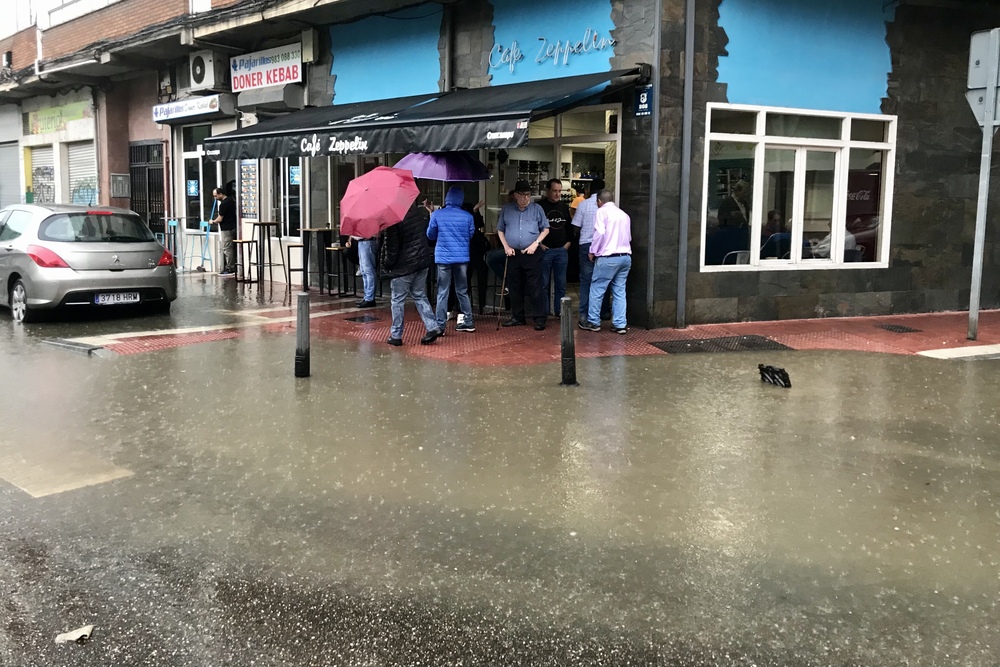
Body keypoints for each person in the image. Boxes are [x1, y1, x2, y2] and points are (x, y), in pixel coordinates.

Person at [380, 200, 442, 346]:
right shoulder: (415, 211)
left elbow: (392, 247)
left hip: (403, 266)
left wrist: (386, 264)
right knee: (419, 295)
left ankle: (396, 335)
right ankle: (432, 327)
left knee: (397, 300)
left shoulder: (392, 219)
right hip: (421, 261)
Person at [496, 180, 549, 330]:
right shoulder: (507, 209)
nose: (526, 198)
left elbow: (546, 229)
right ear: (515, 195)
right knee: (514, 286)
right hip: (513, 253)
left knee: (535, 286)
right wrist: (506, 246)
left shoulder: (537, 209)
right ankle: (517, 317)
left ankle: (540, 318)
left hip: (531, 252)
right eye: (523, 195)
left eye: (528, 195)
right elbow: (500, 230)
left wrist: (535, 244)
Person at [580, 190, 632, 334]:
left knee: (597, 289)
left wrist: (592, 251)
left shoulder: (601, 212)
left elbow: (599, 234)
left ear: (599, 201)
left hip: (608, 258)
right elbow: (628, 238)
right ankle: (620, 324)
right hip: (625, 257)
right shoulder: (624, 215)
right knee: (619, 291)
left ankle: (594, 322)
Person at [427, 185, 476, 333]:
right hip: (461, 259)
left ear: (447, 198)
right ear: (461, 199)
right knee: (462, 290)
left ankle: (440, 326)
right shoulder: (468, 217)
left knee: (442, 291)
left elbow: (430, 235)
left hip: (443, 258)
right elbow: (471, 234)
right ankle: (468, 321)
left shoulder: (437, 215)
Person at [571, 177, 610, 328]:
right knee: (604, 280)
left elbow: (575, 227)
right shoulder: (609, 208)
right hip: (605, 247)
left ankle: (584, 315)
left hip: (586, 245)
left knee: (586, 281)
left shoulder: (584, 205)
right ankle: (604, 311)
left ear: (589, 189)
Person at [537, 178, 572, 318]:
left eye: (559, 191)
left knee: (561, 284)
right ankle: (544, 312)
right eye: (554, 191)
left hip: (561, 250)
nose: (557, 194)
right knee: (543, 283)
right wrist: (539, 244)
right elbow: (534, 227)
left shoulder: (564, 206)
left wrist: (567, 244)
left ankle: (559, 312)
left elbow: (569, 227)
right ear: (547, 191)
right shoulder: (540, 207)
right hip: (545, 250)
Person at [345, 233, 378, 308]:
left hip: (367, 241)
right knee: (364, 271)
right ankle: (367, 297)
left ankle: (369, 298)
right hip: (362, 242)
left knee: (368, 271)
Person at [211, 187, 237, 276]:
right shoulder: (231, 200)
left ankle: (230, 268)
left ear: (220, 194)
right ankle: (232, 266)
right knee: (231, 247)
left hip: (227, 229)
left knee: (227, 248)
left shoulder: (223, 204)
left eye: (216, 196)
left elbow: (220, 218)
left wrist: (212, 221)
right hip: (233, 227)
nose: (215, 198)